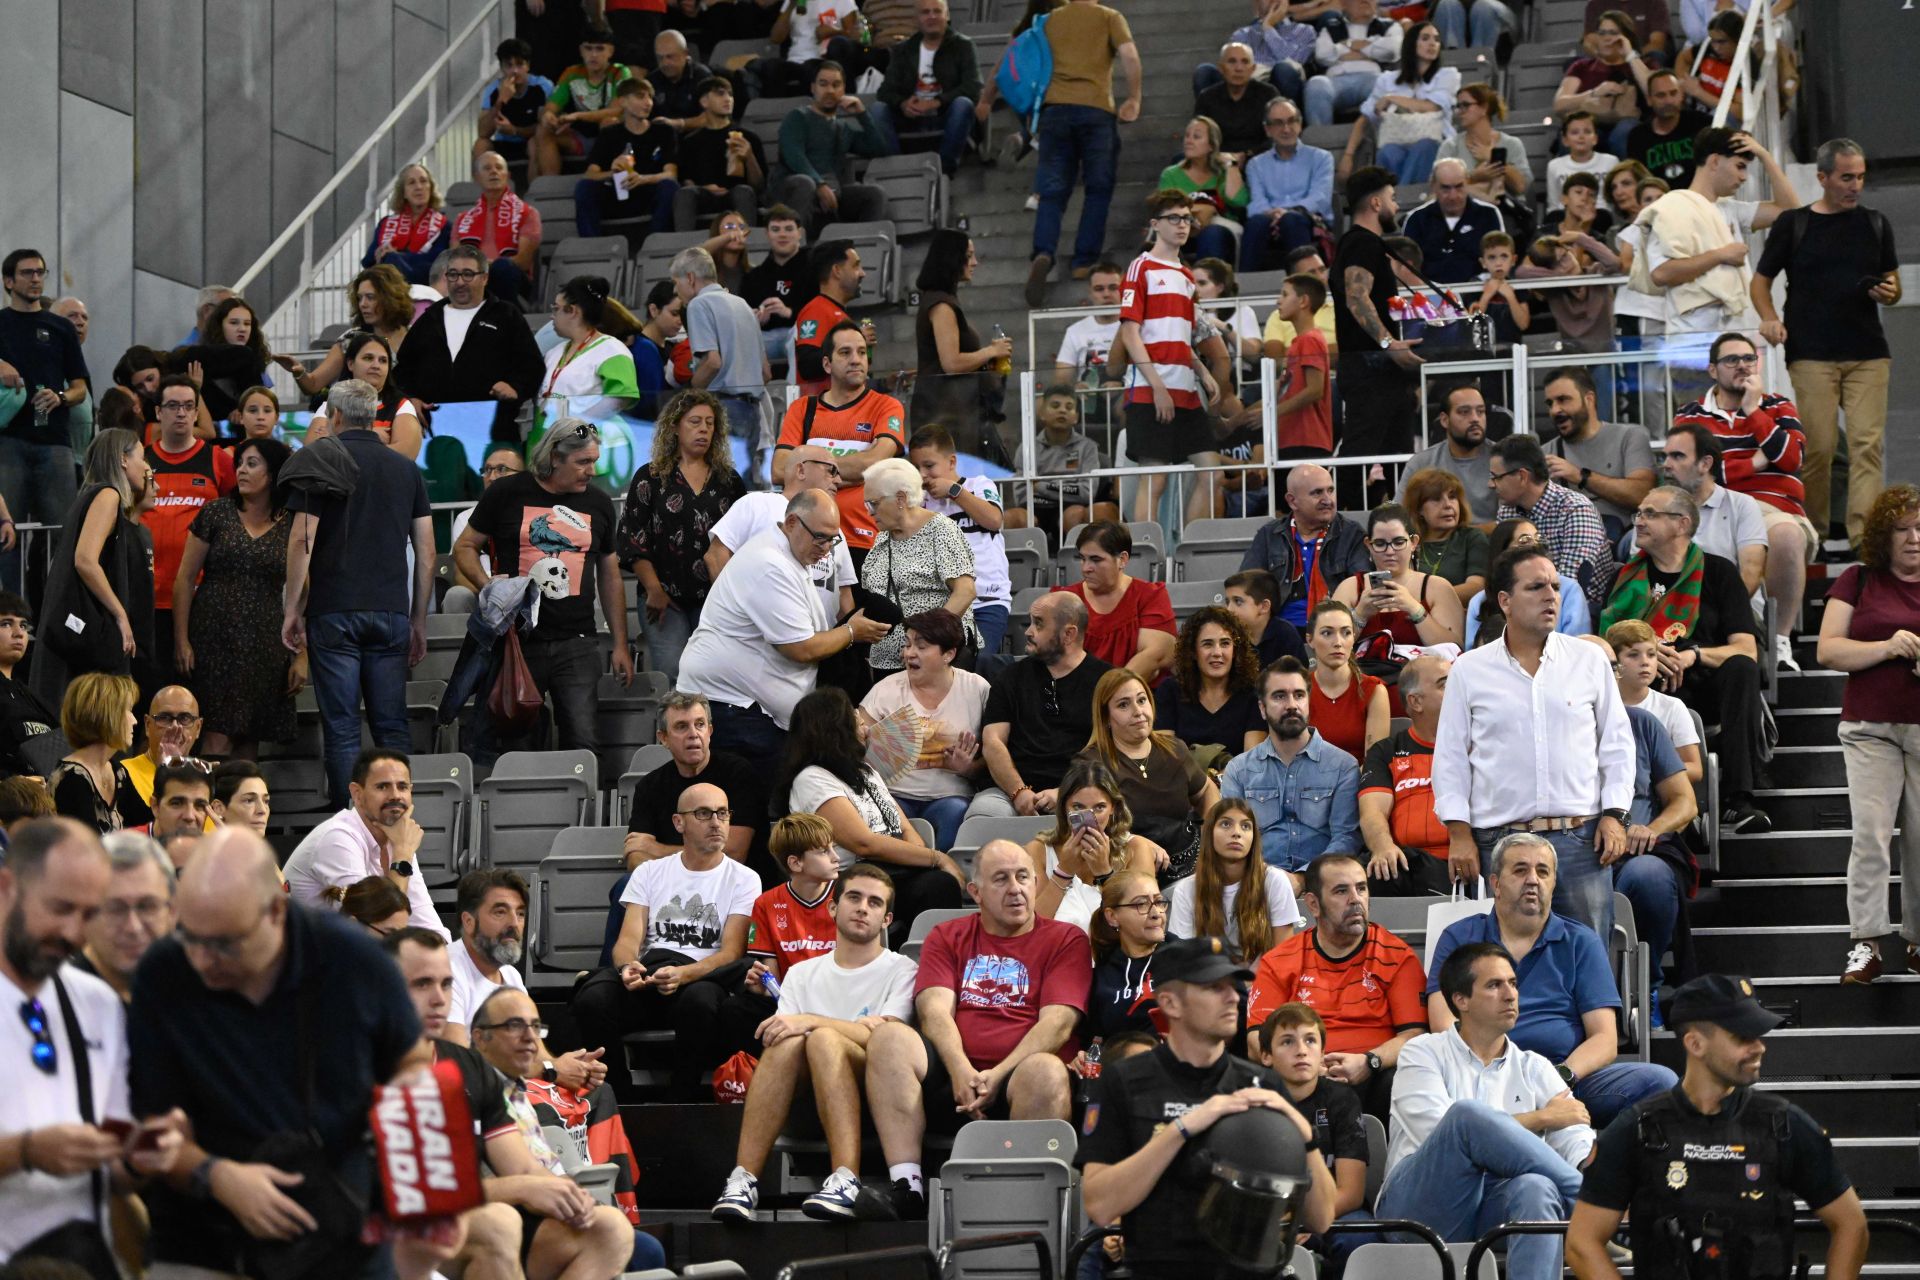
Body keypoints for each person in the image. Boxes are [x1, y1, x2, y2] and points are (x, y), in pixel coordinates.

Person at [128, 828, 422, 1278]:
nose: (203, 960)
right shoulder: (164, 971)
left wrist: (412, 1164)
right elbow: (150, 1127)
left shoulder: (355, 961)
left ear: (275, 913)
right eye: (190, 936)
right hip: (203, 1232)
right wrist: (216, 1176)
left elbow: (413, 1061)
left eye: (224, 943)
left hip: (340, 1220)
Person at [1565, 973, 1869, 1280]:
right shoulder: (1637, 1129)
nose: (1759, 1047)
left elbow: (1851, 1224)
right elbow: (1582, 1243)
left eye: (1759, 1036)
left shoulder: (1784, 1125)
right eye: (1743, 1037)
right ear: (1695, 1043)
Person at [1080, 935, 1336, 1275]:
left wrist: (1304, 1134)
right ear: (1171, 1003)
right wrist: (1183, 1129)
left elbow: (1321, 1218)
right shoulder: (1124, 1082)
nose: (1233, 997)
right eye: (1214, 987)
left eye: (1234, 986)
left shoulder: (1262, 1084)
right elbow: (1099, 1205)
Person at [863, 840, 1091, 1219]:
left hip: (1023, 1081)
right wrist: (960, 1069)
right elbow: (933, 1010)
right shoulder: (947, 935)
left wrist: (997, 1075)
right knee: (889, 1038)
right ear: (975, 892)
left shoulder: (1065, 939)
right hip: (955, 1081)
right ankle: (907, 1187)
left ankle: (1025, 1205)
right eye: (1000, 879)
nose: (1015, 888)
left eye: (1023, 877)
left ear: (1036, 884)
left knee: (1046, 1070)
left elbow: (1058, 1023)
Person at [0, 818, 184, 1273]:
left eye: (87, 914)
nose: (74, 934)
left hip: (78, 1259)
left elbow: (114, 1171)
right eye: (61, 908)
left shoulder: (97, 1002)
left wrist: (144, 1155)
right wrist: (24, 1152)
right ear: (6, 888)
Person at [1435, 542, 1635, 938]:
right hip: (1498, 843)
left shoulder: (1589, 659)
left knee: (1589, 959)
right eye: (1537, 587)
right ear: (1505, 600)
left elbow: (1616, 744)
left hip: (1580, 841)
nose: (1551, 596)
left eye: (1555, 587)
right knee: (1502, 965)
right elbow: (1451, 758)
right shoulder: (1469, 670)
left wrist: (1615, 814)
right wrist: (1459, 833)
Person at [712, 860, 920, 1221]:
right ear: (833, 907)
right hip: (807, 1098)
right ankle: (743, 1180)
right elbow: (783, 1034)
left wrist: (810, 1021)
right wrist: (832, 1028)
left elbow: (886, 1039)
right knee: (787, 1042)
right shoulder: (802, 974)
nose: (862, 908)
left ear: (887, 920)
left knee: (822, 1039)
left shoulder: (902, 969)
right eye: (854, 897)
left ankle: (845, 1178)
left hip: (879, 1102)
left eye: (875, 903)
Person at [1429, 832, 1678, 1129]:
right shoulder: (1459, 937)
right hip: (1478, 1078)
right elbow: (1443, 1022)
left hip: (1562, 1080)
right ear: (1495, 883)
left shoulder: (1580, 941)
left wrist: (1560, 1077)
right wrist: (1489, 1072)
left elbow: (1604, 1038)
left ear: (1553, 883)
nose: (1533, 879)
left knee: (1661, 1082)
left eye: (1542, 872)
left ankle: (1600, 1158)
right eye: (1520, 870)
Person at [1377, 942, 1593, 1280]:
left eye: (1513, 983)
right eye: (1494, 985)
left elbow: (1574, 1134)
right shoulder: (1422, 1052)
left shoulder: (1535, 1066)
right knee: (1464, 1116)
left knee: (1536, 1187)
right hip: (1418, 1210)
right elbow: (1442, 1131)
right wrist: (1541, 1118)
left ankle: (1586, 1197)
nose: (1510, 995)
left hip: (1491, 1206)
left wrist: (1592, 1162)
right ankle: (1590, 1201)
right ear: (1460, 1000)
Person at [283, 380, 434, 806]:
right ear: (374, 416)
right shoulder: (406, 470)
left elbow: (301, 540)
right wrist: (417, 620)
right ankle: (398, 819)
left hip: (333, 611)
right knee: (392, 727)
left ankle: (347, 829)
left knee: (343, 728)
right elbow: (426, 553)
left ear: (334, 415)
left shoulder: (319, 459)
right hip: (390, 612)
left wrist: (292, 608)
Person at [1752, 138, 1899, 549]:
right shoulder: (1795, 224)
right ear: (1823, 178)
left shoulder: (1875, 223)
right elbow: (1760, 281)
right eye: (1846, 177)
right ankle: (1811, 532)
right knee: (1817, 448)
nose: (1855, 185)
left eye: (1861, 177)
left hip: (1868, 350)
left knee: (1868, 445)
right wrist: (1769, 317)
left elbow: (1893, 281)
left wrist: (1889, 292)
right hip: (1811, 352)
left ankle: (1864, 538)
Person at [456, 417, 632, 759]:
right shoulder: (506, 493)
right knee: (517, 746)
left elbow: (610, 576)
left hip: (577, 642)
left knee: (583, 743)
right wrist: (488, 587)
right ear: (554, 457)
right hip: (517, 642)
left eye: (594, 461)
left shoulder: (598, 504)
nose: (591, 471)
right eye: (583, 462)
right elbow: (465, 546)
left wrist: (621, 643)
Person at [574, 780, 759, 1100]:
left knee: (700, 1004)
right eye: (703, 813)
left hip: (701, 977)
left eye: (723, 813)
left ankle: (681, 1098)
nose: (716, 822)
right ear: (679, 823)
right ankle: (619, 1097)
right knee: (592, 998)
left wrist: (683, 975)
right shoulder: (650, 872)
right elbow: (628, 940)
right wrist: (628, 967)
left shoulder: (743, 878)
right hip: (649, 976)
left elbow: (731, 953)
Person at [1601, 486, 1770, 832]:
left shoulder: (1719, 572)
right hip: (1644, 684)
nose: (1639, 522)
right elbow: (1604, 646)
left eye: (1650, 514)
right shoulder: (1623, 578)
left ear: (1681, 524)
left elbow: (1745, 647)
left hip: (1705, 684)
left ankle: (1741, 800)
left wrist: (1693, 655)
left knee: (1742, 668)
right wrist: (1648, 653)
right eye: (1639, 514)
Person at [683, 490, 890, 771]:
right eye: (820, 537)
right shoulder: (770, 564)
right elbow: (800, 648)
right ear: (791, 523)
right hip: (735, 708)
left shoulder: (789, 554)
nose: (826, 548)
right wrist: (852, 632)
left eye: (832, 539)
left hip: (749, 711)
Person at [1810, 486, 1920, 983]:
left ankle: (1917, 943)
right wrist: (1888, 647)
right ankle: (1867, 944)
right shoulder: (1858, 579)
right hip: (1869, 728)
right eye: (1902, 529)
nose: (1914, 538)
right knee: (1872, 836)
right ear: (1883, 534)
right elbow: (1829, 651)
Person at [1246, 851, 1426, 1117]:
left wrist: (1370, 1061)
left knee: (1405, 1079)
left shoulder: (1397, 956)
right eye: (1341, 891)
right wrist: (1307, 1063)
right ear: (1313, 904)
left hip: (1375, 1078)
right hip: (1303, 1076)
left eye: (1362, 888)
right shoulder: (1279, 961)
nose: (1356, 900)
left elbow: (1415, 1036)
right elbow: (1255, 1041)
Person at [1675, 332, 1815, 668]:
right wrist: (1755, 462)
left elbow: (1792, 458)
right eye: (1731, 360)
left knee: (1786, 535)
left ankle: (1778, 640)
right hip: (1714, 508)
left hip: (1773, 507)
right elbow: (1687, 470)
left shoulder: (1778, 405)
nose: (1742, 366)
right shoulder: (1692, 415)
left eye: (1749, 359)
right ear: (1712, 370)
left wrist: (1754, 410)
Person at [777, 686, 968, 932]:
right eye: (857, 724)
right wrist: (936, 858)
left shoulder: (867, 772)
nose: (866, 731)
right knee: (937, 885)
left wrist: (920, 859)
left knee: (938, 883)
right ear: (836, 731)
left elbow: (905, 828)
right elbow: (863, 843)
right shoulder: (812, 779)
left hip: (888, 871)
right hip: (846, 880)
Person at [171, 437, 298, 757]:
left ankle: (243, 805)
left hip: (265, 643)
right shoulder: (216, 513)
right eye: (239, 462)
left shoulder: (291, 522)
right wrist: (181, 639)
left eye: (252, 464)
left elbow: (305, 592)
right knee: (216, 735)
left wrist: (303, 654)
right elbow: (185, 580)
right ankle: (210, 806)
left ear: (273, 473)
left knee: (249, 739)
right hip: (214, 637)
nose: (241, 470)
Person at [618, 390, 745, 681]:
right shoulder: (650, 476)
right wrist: (653, 589)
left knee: (715, 675)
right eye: (695, 422)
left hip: (715, 598)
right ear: (675, 427)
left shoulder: (729, 480)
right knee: (674, 674)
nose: (703, 429)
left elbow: (742, 540)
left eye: (710, 423)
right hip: (662, 597)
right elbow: (633, 539)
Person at [1023, 0, 1141, 306]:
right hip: (1096, 111)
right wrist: (1134, 98)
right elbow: (1129, 55)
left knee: (1052, 192)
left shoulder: (1049, 20)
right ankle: (1083, 262)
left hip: (1054, 110)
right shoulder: (1109, 17)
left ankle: (1044, 252)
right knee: (1097, 188)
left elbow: (1030, 63)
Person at [28, 430, 154, 711]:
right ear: (123, 460)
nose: (147, 469)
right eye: (142, 458)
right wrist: (121, 614)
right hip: (81, 641)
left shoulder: (88, 497)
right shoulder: (107, 495)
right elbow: (85, 560)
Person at [1638, 127, 1794, 336]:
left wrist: (1765, 156)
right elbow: (1661, 273)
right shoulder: (1672, 207)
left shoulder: (1731, 209)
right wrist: (1720, 255)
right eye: (1740, 167)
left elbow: (1790, 212)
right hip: (1692, 341)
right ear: (1714, 161)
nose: (1744, 177)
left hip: (1736, 338)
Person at [773, 321, 908, 561]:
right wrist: (852, 472)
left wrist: (810, 472)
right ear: (827, 363)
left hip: (866, 541)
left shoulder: (886, 406)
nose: (856, 359)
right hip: (808, 539)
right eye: (845, 353)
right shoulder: (803, 408)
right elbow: (779, 469)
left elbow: (875, 462)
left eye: (862, 352)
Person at [972, 592, 1113, 819]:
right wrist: (1019, 792)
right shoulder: (1010, 677)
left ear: (1068, 634)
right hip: (1009, 790)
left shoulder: (1107, 682)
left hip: (1082, 790)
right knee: (983, 817)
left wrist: (1068, 791)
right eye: (1030, 622)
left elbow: (1113, 751)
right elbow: (992, 742)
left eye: (1038, 623)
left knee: (1090, 822)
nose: (1027, 631)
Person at [1116, 191, 1212, 524]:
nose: (1182, 225)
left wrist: (1202, 371)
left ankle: (1186, 552)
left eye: (1187, 218)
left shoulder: (1187, 275)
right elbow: (1130, 333)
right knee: (1155, 479)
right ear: (1155, 224)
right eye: (1174, 218)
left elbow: (1181, 335)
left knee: (1210, 472)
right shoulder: (1140, 267)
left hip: (1185, 388)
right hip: (1149, 389)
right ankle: (1147, 555)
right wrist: (1157, 387)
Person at [860, 608, 991, 850]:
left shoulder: (976, 689)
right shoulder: (885, 690)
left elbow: (995, 752)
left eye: (921, 647)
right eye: (907, 644)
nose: (909, 653)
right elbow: (854, 745)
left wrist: (968, 768)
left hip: (950, 796)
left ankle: (944, 880)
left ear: (948, 654)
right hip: (893, 794)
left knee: (955, 812)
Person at [1220, 657, 1360, 880]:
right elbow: (1230, 840)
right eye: (1279, 696)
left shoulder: (1343, 766)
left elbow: (1346, 838)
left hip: (1323, 883)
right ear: (1262, 708)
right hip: (1257, 883)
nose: (1291, 705)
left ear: (1308, 702)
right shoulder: (1239, 770)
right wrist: (1269, 881)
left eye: (1299, 695)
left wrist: (1303, 879)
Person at [283, 747, 446, 937]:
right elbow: (377, 926)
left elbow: (429, 926)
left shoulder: (398, 839)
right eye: (382, 786)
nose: (395, 795)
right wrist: (402, 856)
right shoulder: (338, 838)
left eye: (403, 787)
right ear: (357, 794)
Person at [397, 243, 546, 443]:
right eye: (453, 274)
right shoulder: (428, 319)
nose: (459, 282)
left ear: (484, 278)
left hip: (493, 429)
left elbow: (532, 366)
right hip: (434, 432)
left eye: (468, 274)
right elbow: (403, 370)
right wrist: (410, 399)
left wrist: (515, 386)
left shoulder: (506, 315)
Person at [1332, 169, 1423, 500]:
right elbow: (1357, 296)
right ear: (1375, 202)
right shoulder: (1361, 242)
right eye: (1392, 198)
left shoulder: (1362, 243)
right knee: (1361, 455)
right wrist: (1388, 343)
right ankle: (1343, 526)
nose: (1396, 206)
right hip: (1370, 367)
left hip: (1383, 371)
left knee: (1398, 457)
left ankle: (1399, 525)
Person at [0, 250, 88, 581]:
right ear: (9, 281)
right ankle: (8, 616)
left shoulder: (61, 328)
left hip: (55, 442)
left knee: (63, 534)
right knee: (7, 532)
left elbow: (80, 385)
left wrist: (62, 396)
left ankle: (57, 617)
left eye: (40, 272)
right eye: (27, 273)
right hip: (8, 439)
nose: (36, 278)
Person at [141, 377, 237, 677]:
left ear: (197, 413)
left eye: (187, 406)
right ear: (159, 412)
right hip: (148, 598)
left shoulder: (218, 460)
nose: (180, 413)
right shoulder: (141, 461)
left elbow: (237, 519)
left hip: (202, 599)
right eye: (173, 406)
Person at [705, 443, 857, 626]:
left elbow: (843, 594)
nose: (839, 480)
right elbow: (715, 557)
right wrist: (740, 612)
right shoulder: (756, 504)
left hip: (819, 645)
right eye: (831, 470)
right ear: (801, 470)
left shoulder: (834, 528)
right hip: (755, 639)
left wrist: (848, 643)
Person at [860, 457, 979, 675]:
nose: (869, 512)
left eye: (873, 503)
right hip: (886, 665)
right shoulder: (882, 539)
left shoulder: (941, 530)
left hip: (935, 662)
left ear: (900, 499)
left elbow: (965, 592)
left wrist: (923, 639)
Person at [1023, 758, 1168, 932]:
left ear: (1113, 808)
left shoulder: (1136, 849)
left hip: (1114, 957)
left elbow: (1141, 927)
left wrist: (1105, 874)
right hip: (1056, 954)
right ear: (1063, 808)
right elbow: (1031, 928)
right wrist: (1064, 872)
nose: (1089, 817)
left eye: (1099, 807)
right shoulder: (1038, 851)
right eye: (1078, 806)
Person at [1356, 653, 1454, 896]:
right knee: (1356, 875)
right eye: (1445, 684)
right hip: (1404, 862)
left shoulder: (1477, 747)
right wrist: (1382, 847)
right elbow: (1373, 812)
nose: (1458, 690)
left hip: (1458, 860)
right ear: (1416, 702)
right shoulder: (1386, 751)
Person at [909, 424, 1011, 654]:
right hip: (942, 604)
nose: (923, 474)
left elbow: (994, 520)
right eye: (916, 467)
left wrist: (955, 491)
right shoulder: (921, 503)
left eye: (929, 465)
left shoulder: (979, 485)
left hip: (987, 601)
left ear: (952, 462)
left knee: (978, 660)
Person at [676, 247, 773, 485]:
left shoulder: (699, 305)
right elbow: (765, 373)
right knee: (744, 488)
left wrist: (690, 393)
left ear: (690, 278)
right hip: (753, 411)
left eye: (675, 282)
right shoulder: (743, 305)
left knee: (719, 490)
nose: (676, 291)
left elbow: (712, 362)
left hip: (721, 407)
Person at [1490, 433, 1617, 613]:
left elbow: (1568, 586)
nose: (1491, 484)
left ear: (1521, 476)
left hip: (1580, 612)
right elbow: (1501, 574)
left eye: (1497, 477)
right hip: (1525, 608)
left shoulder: (1575, 510)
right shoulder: (1507, 511)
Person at [909, 233, 1009, 458]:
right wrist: (991, 351)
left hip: (953, 408)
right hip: (945, 413)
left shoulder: (940, 300)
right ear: (953, 259)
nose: (975, 262)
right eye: (969, 256)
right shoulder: (941, 305)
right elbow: (951, 362)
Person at [1169, 796, 1302, 957]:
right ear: (1209, 833)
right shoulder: (1186, 890)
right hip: (1207, 979)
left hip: (1265, 978)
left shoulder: (1275, 881)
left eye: (1245, 826)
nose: (1236, 833)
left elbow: (1283, 956)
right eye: (1226, 824)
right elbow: (1184, 960)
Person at [1331, 503, 1468, 657]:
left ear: (1414, 542)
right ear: (1369, 545)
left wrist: (1415, 610)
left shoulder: (1437, 587)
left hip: (1421, 678)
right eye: (1380, 544)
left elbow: (1454, 649)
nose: (1390, 551)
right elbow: (1330, 648)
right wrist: (1360, 614)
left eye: (1398, 542)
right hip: (1365, 675)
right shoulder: (1350, 588)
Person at [1540, 366, 1658, 540]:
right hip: (1568, 541)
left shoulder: (1629, 437)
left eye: (1563, 400)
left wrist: (1581, 476)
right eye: (1550, 403)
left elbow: (1642, 495)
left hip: (1626, 539)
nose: (1555, 410)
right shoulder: (1545, 454)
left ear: (1589, 399)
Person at [870, 0, 980, 175]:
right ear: (916, 18)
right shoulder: (902, 50)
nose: (932, 17)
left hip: (945, 114)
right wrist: (903, 104)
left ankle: (944, 170)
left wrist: (936, 102)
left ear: (947, 15)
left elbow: (973, 87)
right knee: (877, 109)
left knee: (963, 104)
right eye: (925, 12)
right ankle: (895, 170)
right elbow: (885, 92)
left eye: (937, 11)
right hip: (909, 118)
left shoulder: (963, 46)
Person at [777, 62, 890, 229]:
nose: (830, 90)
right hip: (794, 191)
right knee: (805, 183)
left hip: (832, 194)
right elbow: (794, 155)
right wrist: (819, 184)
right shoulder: (798, 117)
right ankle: (797, 246)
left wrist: (862, 114)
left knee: (874, 194)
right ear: (813, 88)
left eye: (836, 85)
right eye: (823, 84)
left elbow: (879, 149)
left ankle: (864, 248)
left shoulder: (842, 128)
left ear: (844, 89)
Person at [1057, 522, 1176, 680]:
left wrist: (1110, 694)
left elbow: (1157, 654)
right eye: (1082, 558)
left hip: (1135, 698)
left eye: (1096, 559)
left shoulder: (1150, 596)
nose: (1086, 568)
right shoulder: (1064, 599)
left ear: (1122, 559)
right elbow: (1056, 658)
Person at [289, 267, 415, 402]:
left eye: (370, 297)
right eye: (360, 298)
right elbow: (313, 385)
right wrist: (299, 373)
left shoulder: (417, 336)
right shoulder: (351, 339)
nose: (362, 304)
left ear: (390, 298)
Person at [1155, 607, 1267, 760]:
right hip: (1184, 782)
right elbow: (1164, 758)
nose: (1217, 652)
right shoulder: (1169, 691)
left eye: (1225, 643)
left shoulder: (1253, 693)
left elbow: (1252, 763)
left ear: (1235, 650)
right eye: (1208, 644)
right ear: (1193, 651)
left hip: (1236, 781)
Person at [76, 831, 176, 1003]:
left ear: (172, 912)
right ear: (85, 915)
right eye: (115, 909)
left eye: (147, 907)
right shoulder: (57, 1001)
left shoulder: (194, 993)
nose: (133, 927)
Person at [1008, 386, 1119, 536]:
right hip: (1035, 508)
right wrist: (1067, 489)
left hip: (1071, 507)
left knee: (1076, 514)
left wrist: (1040, 486)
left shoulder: (1088, 447)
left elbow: (1087, 492)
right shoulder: (1027, 448)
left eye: (1069, 407)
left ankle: (1076, 557)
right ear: (1042, 413)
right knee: (1012, 517)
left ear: (1076, 417)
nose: (1062, 411)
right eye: (1055, 406)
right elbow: (1021, 494)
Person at [1354, 22, 1456, 186]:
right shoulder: (1387, 79)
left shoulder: (1447, 75)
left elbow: (1431, 106)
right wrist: (1348, 155)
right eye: (1425, 38)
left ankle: (1399, 199)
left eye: (1436, 40)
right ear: (1411, 44)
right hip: (1397, 139)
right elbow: (1366, 116)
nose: (1432, 43)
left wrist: (1391, 99)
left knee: (1425, 146)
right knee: (1388, 152)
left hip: (1436, 140)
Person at [1463, 518, 1592, 645]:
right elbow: (1472, 652)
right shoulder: (1479, 601)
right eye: (1525, 541)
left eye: (1538, 539)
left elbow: (1578, 646)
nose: (1535, 546)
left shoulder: (1569, 589)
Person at [536, 276, 641, 429]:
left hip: (587, 443)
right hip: (549, 438)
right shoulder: (554, 352)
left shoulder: (612, 350)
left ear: (573, 311)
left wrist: (579, 426)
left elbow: (619, 398)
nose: (552, 315)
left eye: (556, 308)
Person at [49, 674, 149, 835]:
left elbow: (149, 824)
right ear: (107, 715)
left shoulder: (117, 771)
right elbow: (86, 850)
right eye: (128, 711)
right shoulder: (71, 778)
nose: (135, 720)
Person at [303, 332, 426, 461]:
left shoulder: (402, 406)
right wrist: (371, 437)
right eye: (368, 358)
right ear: (350, 364)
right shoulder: (331, 403)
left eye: (383, 360)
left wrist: (335, 438)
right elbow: (312, 453)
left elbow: (404, 456)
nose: (376, 365)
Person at [533, 25, 634, 179]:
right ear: (581, 51)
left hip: (612, 136)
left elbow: (617, 110)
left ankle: (611, 180)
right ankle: (550, 185)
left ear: (610, 52)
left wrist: (578, 116)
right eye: (588, 48)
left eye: (600, 49)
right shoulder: (571, 73)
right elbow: (551, 107)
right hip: (581, 138)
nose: (593, 54)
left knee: (609, 123)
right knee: (543, 130)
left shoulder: (620, 72)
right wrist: (548, 116)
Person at [670, 78, 767, 233]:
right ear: (704, 101)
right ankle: (685, 249)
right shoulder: (690, 142)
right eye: (720, 94)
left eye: (730, 94)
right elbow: (686, 180)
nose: (727, 99)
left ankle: (748, 244)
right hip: (705, 196)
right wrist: (702, 188)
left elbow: (759, 186)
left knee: (743, 191)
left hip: (738, 195)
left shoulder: (748, 138)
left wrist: (749, 156)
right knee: (685, 194)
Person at [1301, 599, 1387, 763]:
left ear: (1353, 638)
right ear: (1310, 640)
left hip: (1358, 784)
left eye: (1346, 633)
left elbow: (1374, 765)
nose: (1338, 642)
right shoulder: (1296, 690)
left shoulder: (1374, 690)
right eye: (1327, 633)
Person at [1160, 117, 1250, 267]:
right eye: (1187, 136)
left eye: (1196, 136)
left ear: (1211, 145)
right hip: (1182, 230)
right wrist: (1203, 210)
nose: (1189, 140)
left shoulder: (1222, 172)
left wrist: (1231, 165)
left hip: (1221, 230)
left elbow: (1239, 201)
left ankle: (1209, 284)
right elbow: (1165, 209)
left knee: (1211, 233)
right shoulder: (1171, 174)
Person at [789, 242, 875, 397]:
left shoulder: (838, 314)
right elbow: (807, 365)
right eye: (856, 266)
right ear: (837, 271)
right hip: (822, 412)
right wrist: (851, 344)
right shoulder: (816, 310)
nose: (862, 273)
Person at [1399, 159, 1502, 287]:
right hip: (1428, 298)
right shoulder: (1416, 219)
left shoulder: (1488, 214)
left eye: (1459, 187)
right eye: (1445, 188)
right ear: (1433, 186)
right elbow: (1407, 268)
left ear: (1468, 183)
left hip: (1478, 293)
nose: (1453, 196)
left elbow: (1499, 261)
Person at [456, 151, 544, 302]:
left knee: (502, 267)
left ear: (508, 176)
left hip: (512, 278)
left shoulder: (527, 213)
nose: (494, 172)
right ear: (476, 178)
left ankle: (503, 319)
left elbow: (523, 261)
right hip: (472, 277)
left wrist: (489, 265)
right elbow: (454, 259)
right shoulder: (463, 219)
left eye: (499, 167)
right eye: (487, 168)